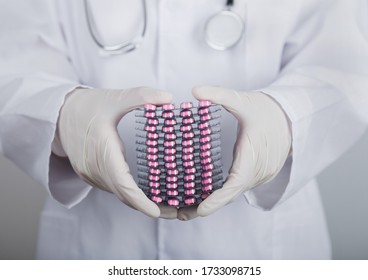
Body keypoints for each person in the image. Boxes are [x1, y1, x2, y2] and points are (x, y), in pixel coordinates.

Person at [0, 0, 367, 259]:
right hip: (97, 247)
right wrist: (64, 114)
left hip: (265, 248)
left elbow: (343, 67)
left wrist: (286, 120)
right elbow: (12, 62)